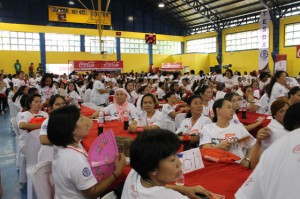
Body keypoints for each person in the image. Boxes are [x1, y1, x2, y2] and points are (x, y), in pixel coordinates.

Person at [47, 105, 126, 198]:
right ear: (72, 130)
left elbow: (89, 123)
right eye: (81, 119)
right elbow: (92, 193)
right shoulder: (76, 160)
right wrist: (116, 172)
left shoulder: (62, 145)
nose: (86, 122)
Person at [122, 129, 215, 199]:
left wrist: (183, 189)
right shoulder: (171, 197)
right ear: (153, 169)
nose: (179, 163)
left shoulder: (136, 172)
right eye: (172, 160)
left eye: (177, 156)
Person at [235, 103, 300, 199]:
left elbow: (244, 196)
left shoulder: (276, 147)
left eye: (286, 110)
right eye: (282, 111)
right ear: (274, 115)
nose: (285, 113)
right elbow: (255, 165)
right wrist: (258, 141)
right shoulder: (272, 136)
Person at [200, 98, 257, 168]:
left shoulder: (239, 128)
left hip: (237, 167)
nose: (232, 110)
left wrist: (247, 159)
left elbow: (253, 145)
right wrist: (218, 147)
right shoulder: (207, 128)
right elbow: (206, 151)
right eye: (228, 107)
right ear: (218, 110)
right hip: (215, 167)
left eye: (232, 108)